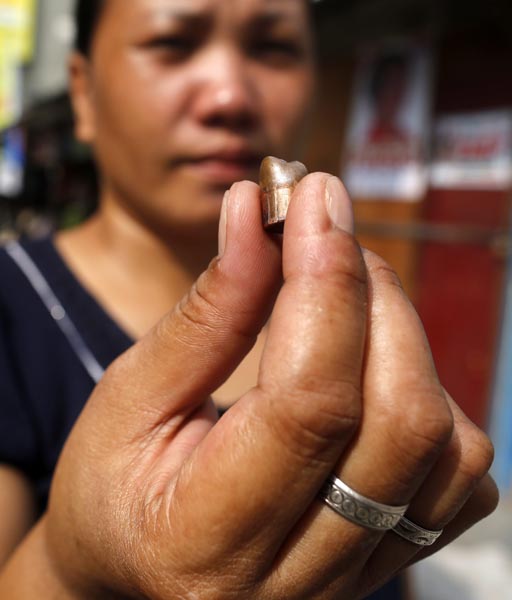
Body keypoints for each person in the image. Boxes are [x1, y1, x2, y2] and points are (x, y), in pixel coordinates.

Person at [0, 0, 498, 598]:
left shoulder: (357, 314)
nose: (230, 97)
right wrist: (67, 568)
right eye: (172, 45)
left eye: (273, 49)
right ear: (82, 93)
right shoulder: (13, 304)